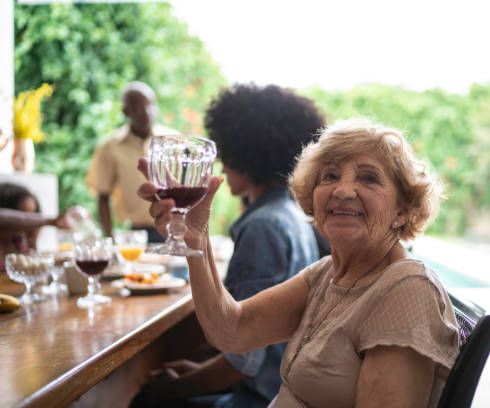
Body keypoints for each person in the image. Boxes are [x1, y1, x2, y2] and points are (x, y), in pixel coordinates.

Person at [139, 118, 460, 407]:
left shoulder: (405, 289)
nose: (343, 190)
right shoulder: (327, 274)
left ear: (403, 209)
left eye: (370, 179)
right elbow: (232, 331)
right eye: (330, 175)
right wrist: (196, 238)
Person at [132, 84, 325, 408]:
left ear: (248, 153)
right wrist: (198, 370)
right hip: (276, 386)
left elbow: (243, 356)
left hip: (260, 398)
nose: (220, 162)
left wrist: (176, 388)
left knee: (145, 400)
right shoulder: (290, 214)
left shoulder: (264, 227)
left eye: (226, 153)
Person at [86, 81, 178, 243]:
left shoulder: (174, 142)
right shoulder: (109, 147)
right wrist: (110, 239)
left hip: (174, 229)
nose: (147, 112)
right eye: (139, 106)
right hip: (134, 236)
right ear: (125, 111)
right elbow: (103, 197)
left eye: (151, 105)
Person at [0, 183, 76, 270]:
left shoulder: (20, 240)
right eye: (22, 215)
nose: (31, 221)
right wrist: (51, 221)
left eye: (33, 214)